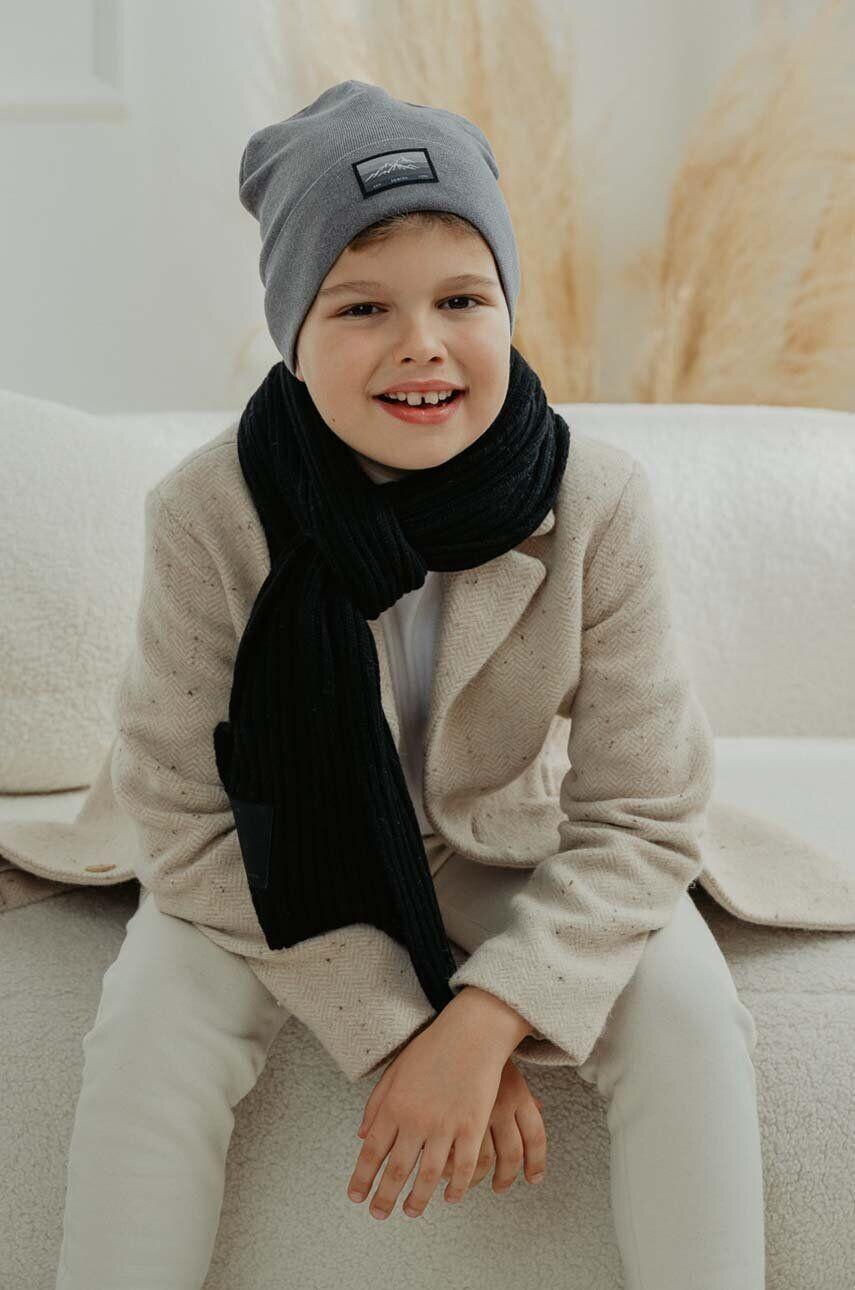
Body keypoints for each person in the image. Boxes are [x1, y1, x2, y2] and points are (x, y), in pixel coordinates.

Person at [55, 81, 765, 1289]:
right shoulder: (207, 511)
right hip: (279, 849)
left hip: (499, 840)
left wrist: (487, 1019)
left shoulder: (595, 501)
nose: (422, 342)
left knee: (686, 1006)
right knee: (153, 1017)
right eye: (362, 306)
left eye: (462, 299)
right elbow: (182, 814)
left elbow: (645, 810)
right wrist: (397, 1032)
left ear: (508, 311)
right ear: (292, 335)